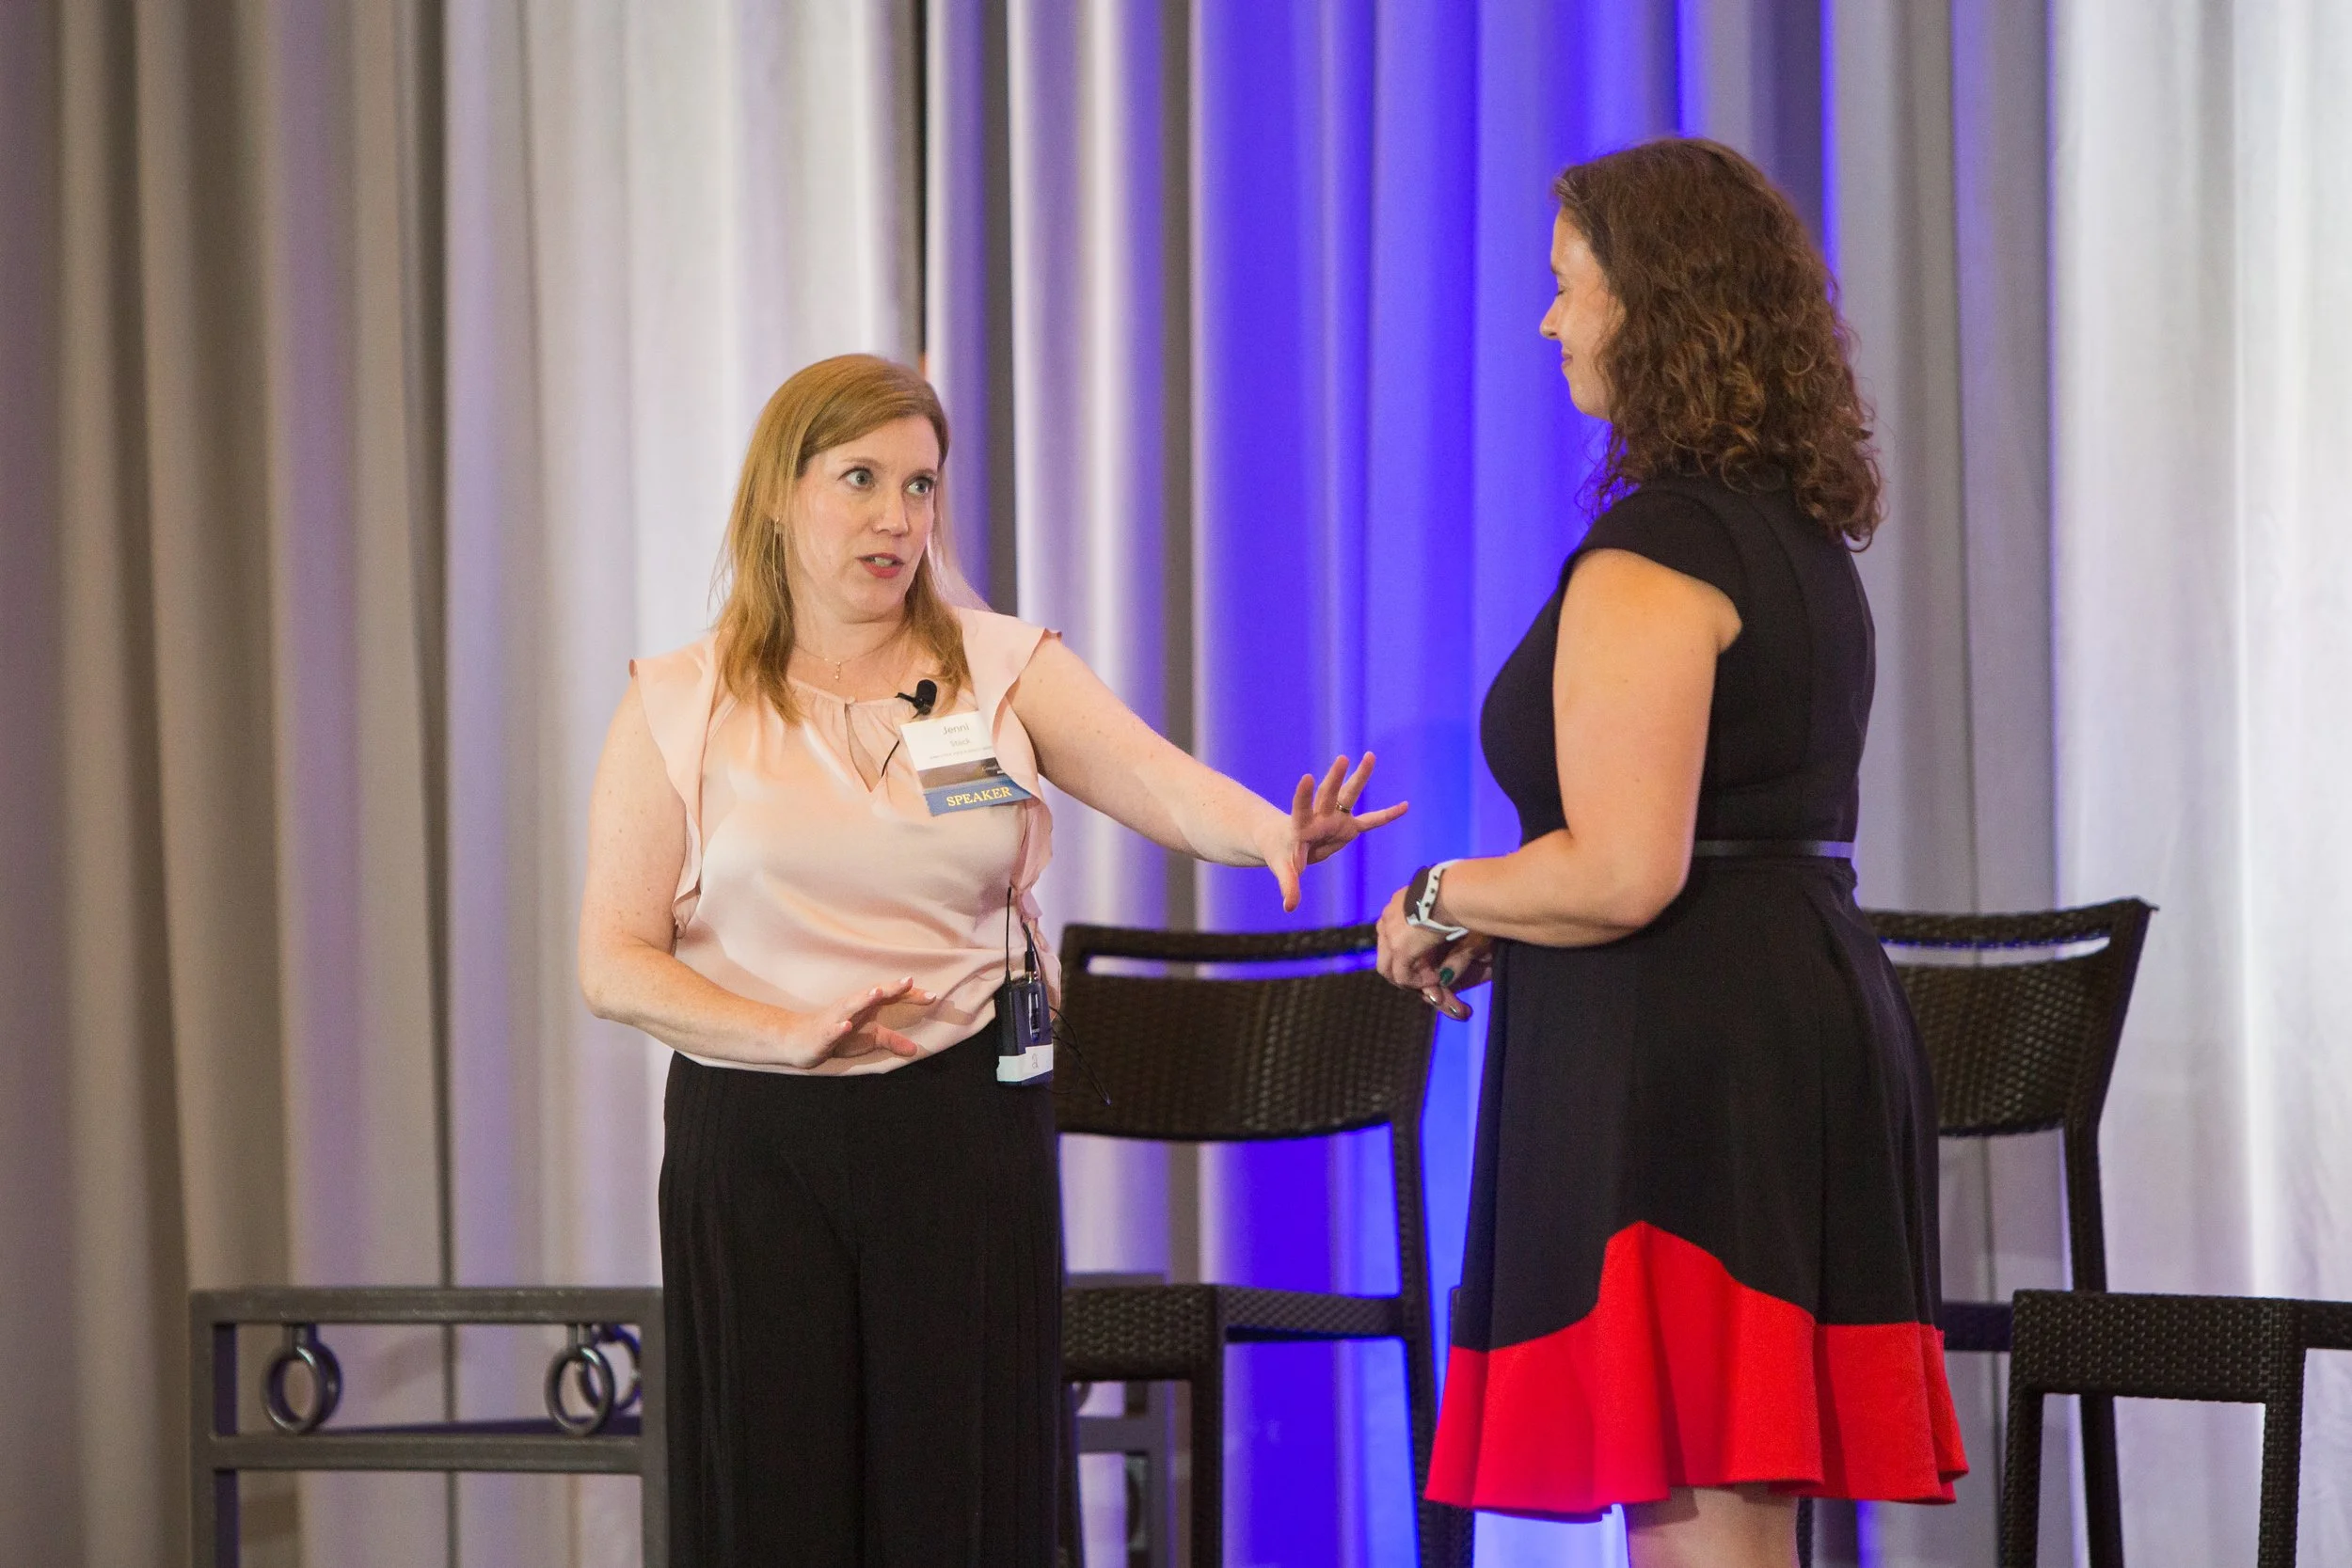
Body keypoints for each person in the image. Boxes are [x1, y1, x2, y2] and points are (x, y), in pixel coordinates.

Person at [577, 353, 1402, 1567]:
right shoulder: (680, 701)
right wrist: (783, 1034)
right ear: (779, 495)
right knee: (773, 1500)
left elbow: (1161, 782)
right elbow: (612, 959)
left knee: (958, 1500)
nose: (896, 517)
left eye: (920, 486)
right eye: (861, 479)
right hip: (756, 1133)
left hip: (961, 1119)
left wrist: (1270, 833)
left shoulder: (997, 666)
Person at [1376, 139, 1965, 1565]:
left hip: (1691, 1067)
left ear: (1655, 305)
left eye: (1568, 285)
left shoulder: (1659, 550)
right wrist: (1512, 913)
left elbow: (1623, 870)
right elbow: (1715, 832)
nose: (1548, 321)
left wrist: (1437, 894)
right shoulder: (1793, 540)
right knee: (1735, 1520)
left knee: (1705, 1529)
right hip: (1780, 1024)